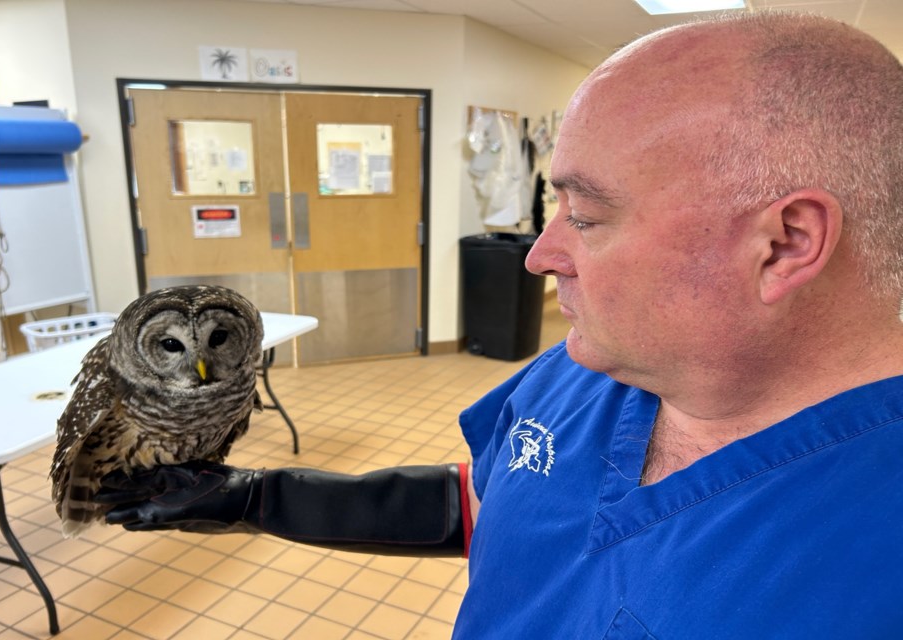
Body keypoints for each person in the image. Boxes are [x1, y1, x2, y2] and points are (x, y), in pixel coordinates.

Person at [96, 11, 903, 638]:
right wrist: (256, 499)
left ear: (785, 243)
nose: (541, 255)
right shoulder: (594, 370)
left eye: (586, 216)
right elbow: (499, 502)